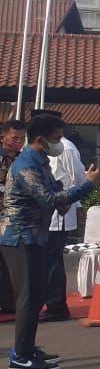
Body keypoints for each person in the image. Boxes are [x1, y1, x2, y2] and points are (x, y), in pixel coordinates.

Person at [1, 114, 99, 369]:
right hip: (19, 237)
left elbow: (54, 194)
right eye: (56, 138)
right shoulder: (26, 165)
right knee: (27, 297)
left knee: (36, 296)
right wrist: (87, 186)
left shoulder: (41, 161)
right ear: (41, 139)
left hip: (35, 236)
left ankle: (27, 348)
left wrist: (63, 199)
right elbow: (47, 198)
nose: (60, 144)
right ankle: (20, 357)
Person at [28, 111, 85, 323]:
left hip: (59, 213)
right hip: (45, 214)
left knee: (52, 262)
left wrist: (70, 202)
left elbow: (78, 178)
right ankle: (51, 302)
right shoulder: (38, 152)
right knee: (45, 262)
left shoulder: (66, 148)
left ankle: (56, 306)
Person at [0, 120, 26, 315]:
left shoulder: (23, 161)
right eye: (14, 138)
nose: (17, 142)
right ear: (3, 138)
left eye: (21, 139)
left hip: (12, 220)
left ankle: (9, 303)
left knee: (10, 265)